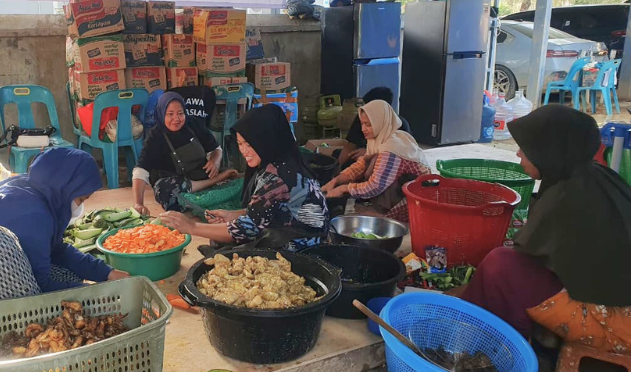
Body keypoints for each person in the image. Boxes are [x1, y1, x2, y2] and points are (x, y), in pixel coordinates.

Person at [0, 148, 128, 345]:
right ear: (65, 188)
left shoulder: (34, 189)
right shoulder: (33, 213)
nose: (80, 206)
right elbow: (41, 286)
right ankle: (32, 337)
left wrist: (106, 273)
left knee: (67, 274)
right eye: (80, 199)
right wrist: (95, 294)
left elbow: (57, 250)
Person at [462, 105, 631, 342]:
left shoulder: (570, 195)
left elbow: (524, 258)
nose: (518, 154)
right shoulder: (590, 174)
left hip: (614, 322)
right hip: (614, 302)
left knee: (499, 266)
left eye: (525, 148)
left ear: (548, 151)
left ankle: (494, 343)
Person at [160, 105, 329, 252]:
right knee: (219, 240)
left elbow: (245, 230)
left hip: (303, 245)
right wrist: (233, 215)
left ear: (267, 140)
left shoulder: (278, 177)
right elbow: (268, 208)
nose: (244, 151)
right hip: (289, 230)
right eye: (240, 144)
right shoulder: (282, 161)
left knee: (226, 248)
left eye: (250, 144)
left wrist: (191, 226)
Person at [322, 100, 430, 222]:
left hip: (415, 198)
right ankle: (382, 209)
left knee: (374, 168)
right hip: (396, 188)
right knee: (371, 162)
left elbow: (375, 186)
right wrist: (335, 181)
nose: (363, 129)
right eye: (362, 124)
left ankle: (388, 216)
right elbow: (361, 165)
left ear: (379, 122)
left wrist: (343, 188)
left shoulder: (392, 147)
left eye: (368, 124)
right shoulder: (378, 139)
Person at [132, 92, 235, 215]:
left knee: (238, 183)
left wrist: (215, 161)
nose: (176, 118)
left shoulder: (194, 124)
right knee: (165, 191)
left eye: (180, 113)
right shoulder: (155, 136)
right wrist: (138, 203)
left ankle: (200, 196)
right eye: (170, 114)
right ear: (161, 113)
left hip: (200, 175)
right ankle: (212, 185)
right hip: (176, 184)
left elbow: (216, 149)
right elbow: (141, 170)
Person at [339, 87, 412, 167]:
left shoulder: (400, 126)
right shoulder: (362, 118)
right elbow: (350, 145)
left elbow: (401, 155)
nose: (363, 129)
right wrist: (337, 168)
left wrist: (369, 153)